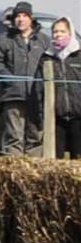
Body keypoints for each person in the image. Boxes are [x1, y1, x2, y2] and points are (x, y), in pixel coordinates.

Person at [0, 1, 51, 156]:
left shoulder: (43, 40)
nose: (21, 19)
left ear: (31, 18)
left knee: (35, 136)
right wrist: (10, 80)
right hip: (12, 94)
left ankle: (33, 174)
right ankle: (13, 174)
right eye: (17, 16)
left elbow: (50, 62)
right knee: (13, 136)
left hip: (37, 96)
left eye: (24, 16)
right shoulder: (2, 40)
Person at [44, 16, 79, 159]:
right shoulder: (47, 57)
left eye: (62, 31)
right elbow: (39, 89)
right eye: (55, 32)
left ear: (70, 33)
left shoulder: (79, 55)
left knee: (78, 158)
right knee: (55, 160)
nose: (58, 35)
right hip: (56, 117)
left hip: (78, 115)